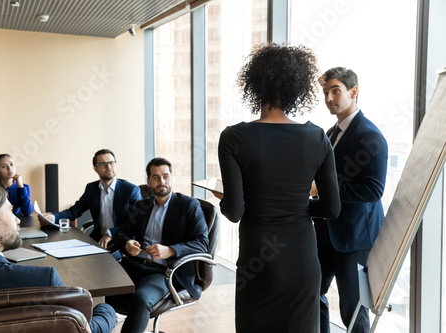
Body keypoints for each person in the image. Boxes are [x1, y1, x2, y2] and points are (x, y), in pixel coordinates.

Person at [216, 43, 341, 332]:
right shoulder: (316, 138)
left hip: (257, 260)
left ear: (255, 85)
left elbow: (235, 211)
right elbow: (332, 208)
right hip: (302, 260)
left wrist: (225, 198)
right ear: (296, 88)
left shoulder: (234, 138)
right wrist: (298, 205)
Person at [0, 183, 116, 333]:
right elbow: (81, 329)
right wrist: (106, 311)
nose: (17, 220)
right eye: (11, 211)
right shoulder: (43, 280)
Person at [313, 67, 388, 333]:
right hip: (325, 231)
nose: (329, 98)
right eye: (325, 92)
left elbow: (372, 190)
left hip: (354, 237)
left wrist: (322, 190)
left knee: (353, 310)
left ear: (353, 92)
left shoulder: (370, 135)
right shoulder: (330, 133)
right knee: (312, 294)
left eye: (335, 90)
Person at [106, 157, 208, 333]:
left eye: (166, 176)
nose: (162, 182)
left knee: (142, 298)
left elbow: (202, 243)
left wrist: (170, 250)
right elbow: (121, 233)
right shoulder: (142, 205)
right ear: (148, 181)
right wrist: (127, 243)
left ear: (172, 178)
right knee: (99, 289)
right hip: (134, 265)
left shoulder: (189, 205)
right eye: (156, 177)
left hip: (164, 272)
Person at [39, 149, 142, 249]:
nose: (109, 167)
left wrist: (110, 234)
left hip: (123, 241)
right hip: (98, 239)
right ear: (95, 168)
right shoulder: (91, 188)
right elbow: (74, 211)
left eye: (111, 163)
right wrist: (51, 217)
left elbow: (134, 221)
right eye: (103, 164)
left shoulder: (131, 190)